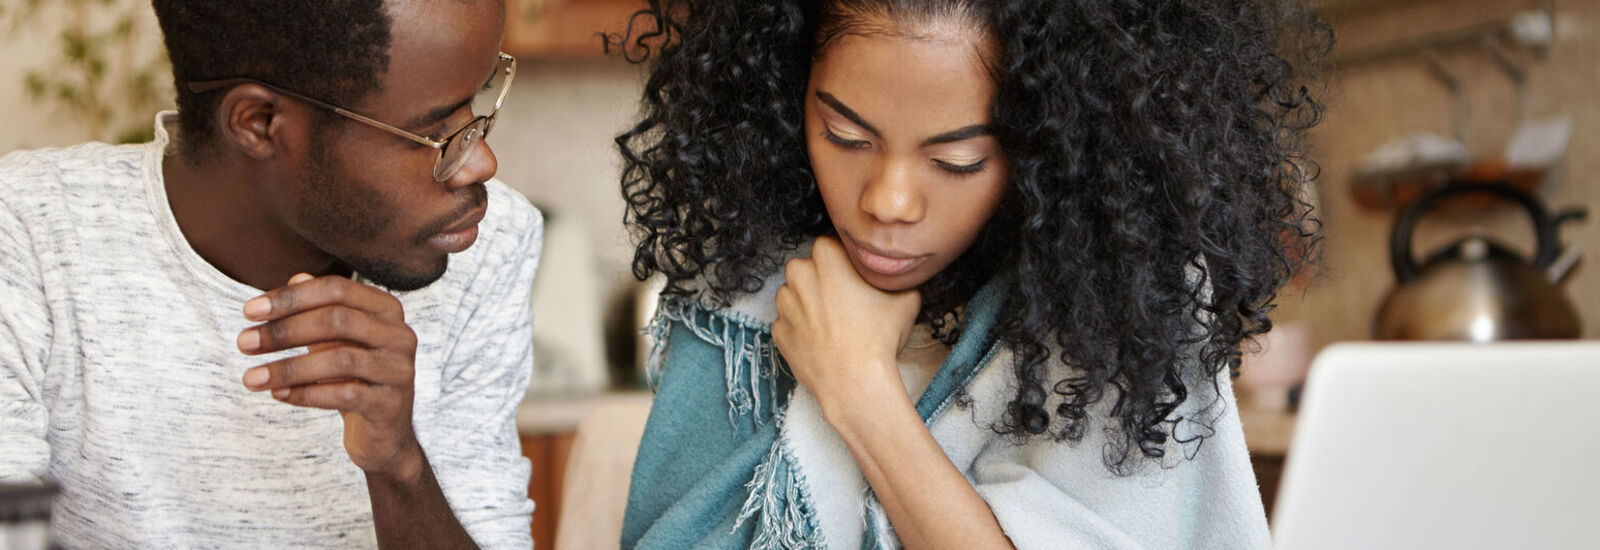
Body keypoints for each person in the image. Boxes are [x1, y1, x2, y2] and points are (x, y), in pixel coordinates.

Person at [613, 0, 1326, 548]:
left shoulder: (1130, 298)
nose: (887, 202)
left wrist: (857, 386)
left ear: (1052, 138)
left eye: (957, 161)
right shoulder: (745, 284)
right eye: (845, 136)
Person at [0, 1, 542, 548]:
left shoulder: (489, 243)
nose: (479, 165)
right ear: (258, 124)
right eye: (431, 132)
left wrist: (400, 467)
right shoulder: (28, 238)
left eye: (478, 103)